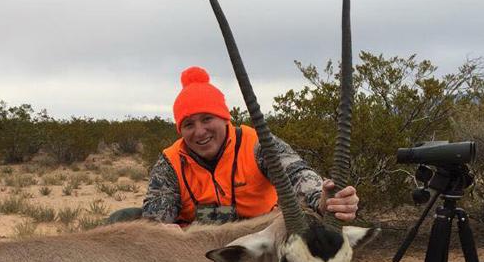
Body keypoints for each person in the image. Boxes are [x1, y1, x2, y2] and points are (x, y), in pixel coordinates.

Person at [140, 66, 359, 226]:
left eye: (207, 119)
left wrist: (323, 200)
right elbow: (155, 222)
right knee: (124, 219)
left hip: (258, 243)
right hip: (195, 250)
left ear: (225, 118)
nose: (199, 132)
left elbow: (297, 173)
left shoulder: (256, 144)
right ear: (180, 130)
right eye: (188, 124)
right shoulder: (171, 162)